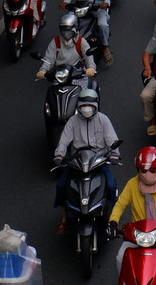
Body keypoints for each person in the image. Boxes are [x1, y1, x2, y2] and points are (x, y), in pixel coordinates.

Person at [110, 148, 156, 285]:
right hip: (137, 234)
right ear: (138, 170)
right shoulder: (132, 185)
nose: (147, 175)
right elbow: (120, 205)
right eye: (143, 171)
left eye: (152, 170)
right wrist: (113, 222)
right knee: (120, 257)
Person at [52, 88, 120, 234]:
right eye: (83, 105)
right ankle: (64, 217)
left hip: (98, 159)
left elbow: (112, 140)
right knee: (61, 185)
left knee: (111, 185)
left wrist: (114, 154)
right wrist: (59, 155)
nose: (87, 108)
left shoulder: (103, 120)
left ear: (96, 105)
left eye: (90, 105)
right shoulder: (73, 121)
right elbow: (63, 142)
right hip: (77, 161)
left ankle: (111, 219)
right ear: (78, 106)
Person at [36, 13, 98, 82]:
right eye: (64, 31)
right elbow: (49, 59)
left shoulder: (81, 42)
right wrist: (43, 70)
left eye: (69, 31)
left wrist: (91, 68)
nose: (66, 33)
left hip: (78, 75)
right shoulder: (55, 42)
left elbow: (88, 56)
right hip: (60, 75)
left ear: (74, 30)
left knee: (87, 93)